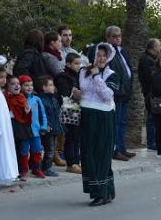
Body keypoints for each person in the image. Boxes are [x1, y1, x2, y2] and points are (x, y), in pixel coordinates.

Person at [79, 42, 118, 206]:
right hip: (87, 115)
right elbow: (83, 90)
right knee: (88, 154)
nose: (101, 58)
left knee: (101, 154)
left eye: (104, 55)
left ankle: (101, 193)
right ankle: (105, 190)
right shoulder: (82, 72)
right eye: (98, 55)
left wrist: (96, 77)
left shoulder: (111, 74)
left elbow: (107, 96)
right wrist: (75, 94)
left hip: (103, 117)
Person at [105, 26, 135, 161]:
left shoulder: (121, 51)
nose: (118, 38)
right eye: (114, 36)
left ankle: (122, 148)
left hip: (125, 92)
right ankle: (115, 149)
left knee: (122, 122)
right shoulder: (108, 52)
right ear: (108, 38)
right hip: (116, 93)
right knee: (115, 122)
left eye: (119, 36)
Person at [55, 52, 82, 174]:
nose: (78, 66)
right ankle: (71, 163)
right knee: (71, 136)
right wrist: (74, 94)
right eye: (76, 63)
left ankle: (76, 161)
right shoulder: (63, 77)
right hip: (69, 109)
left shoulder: (76, 76)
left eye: (79, 63)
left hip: (77, 107)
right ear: (68, 64)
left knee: (76, 137)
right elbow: (64, 95)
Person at [36, 75, 65, 177]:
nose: (53, 87)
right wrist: (46, 125)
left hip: (55, 128)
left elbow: (57, 114)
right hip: (48, 129)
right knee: (49, 150)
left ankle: (45, 167)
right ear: (44, 87)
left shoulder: (54, 99)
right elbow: (42, 115)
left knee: (52, 149)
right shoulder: (41, 100)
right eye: (51, 85)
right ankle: (46, 168)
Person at [20, 75, 47, 179]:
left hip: (36, 130)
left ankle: (37, 169)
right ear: (21, 86)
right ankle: (24, 170)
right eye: (26, 85)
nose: (29, 87)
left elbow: (42, 114)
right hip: (24, 131)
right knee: (24, 150)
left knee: (37, 150)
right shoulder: (19, 99)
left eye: (31, 85)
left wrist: (43, 126)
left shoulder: (37, 99)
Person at [139, 38, 161, 151]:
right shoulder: (148, 60)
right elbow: (151, 78)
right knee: (152, 118)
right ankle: (151, 142)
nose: (160, 48)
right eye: (159, 46)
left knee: (153, 117)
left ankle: (152, 141)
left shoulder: (149, 58)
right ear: (153, 47)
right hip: (151, 93)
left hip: (149, 92)